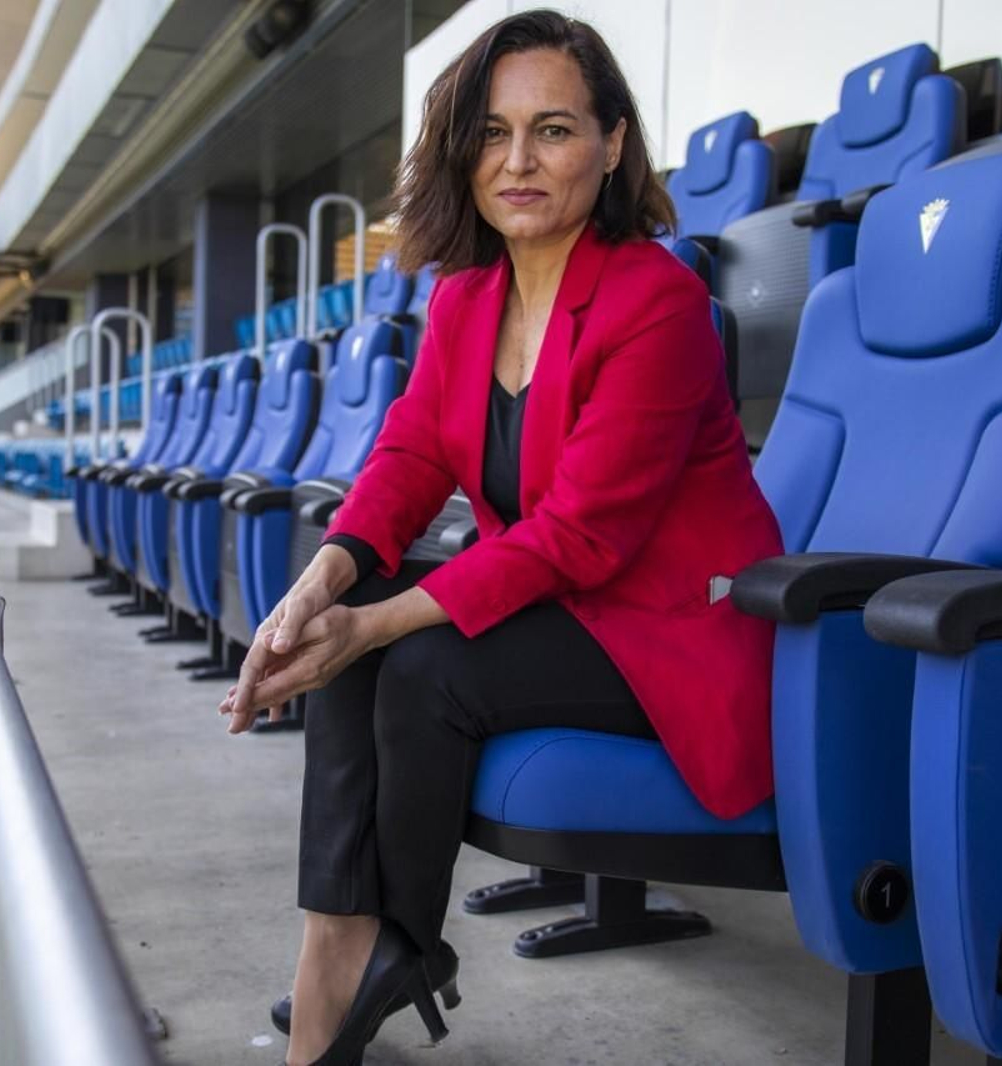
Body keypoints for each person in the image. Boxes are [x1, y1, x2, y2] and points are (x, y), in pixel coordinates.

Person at [220, 11, 783, 1065]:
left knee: (414, 656)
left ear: (612, 145)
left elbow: (581, 534)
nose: (517, 160)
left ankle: (398, 941)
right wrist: (319, 588)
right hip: (566, 608)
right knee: (348, 632)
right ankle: (340, 945)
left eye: (553, 129)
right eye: (491, 132)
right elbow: (403, 463)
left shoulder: (656, 299)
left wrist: (375, 620)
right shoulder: (465, 297)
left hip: (676, 632)